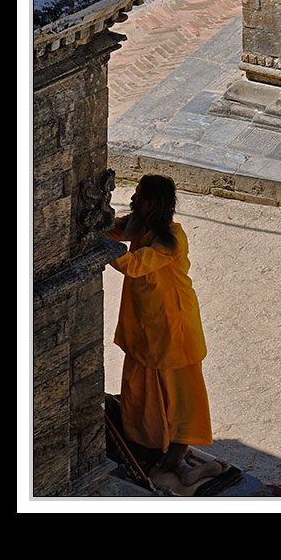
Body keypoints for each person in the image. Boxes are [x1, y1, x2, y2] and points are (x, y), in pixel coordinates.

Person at [106, 174, 221, 486]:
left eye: (140, 196)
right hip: (146, 329)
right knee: (142, 388)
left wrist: (103, 246)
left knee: (177, 394)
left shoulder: (173, 239)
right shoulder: (138, 224)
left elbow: (134, 264)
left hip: (174, 329)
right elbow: (115, 229)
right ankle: (157, 446)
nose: (134, 199)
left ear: (154, 203)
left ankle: (178, 449)